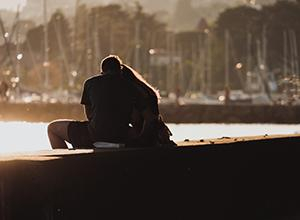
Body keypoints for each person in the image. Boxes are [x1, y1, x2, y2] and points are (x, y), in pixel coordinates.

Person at [48, 55, 147, 149]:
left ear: (102, 72)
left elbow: (89, 114)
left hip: (93, 135)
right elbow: (136, 118)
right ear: (120, 71)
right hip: (121, 136)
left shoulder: (90, 83)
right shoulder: (131, 86)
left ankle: (65, 162)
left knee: (52, 128)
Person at [121, 64, 174, 147]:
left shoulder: (136, 93)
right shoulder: (145, 89)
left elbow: (149, 119)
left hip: (152, 137)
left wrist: (141, 139)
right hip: (159, 134)